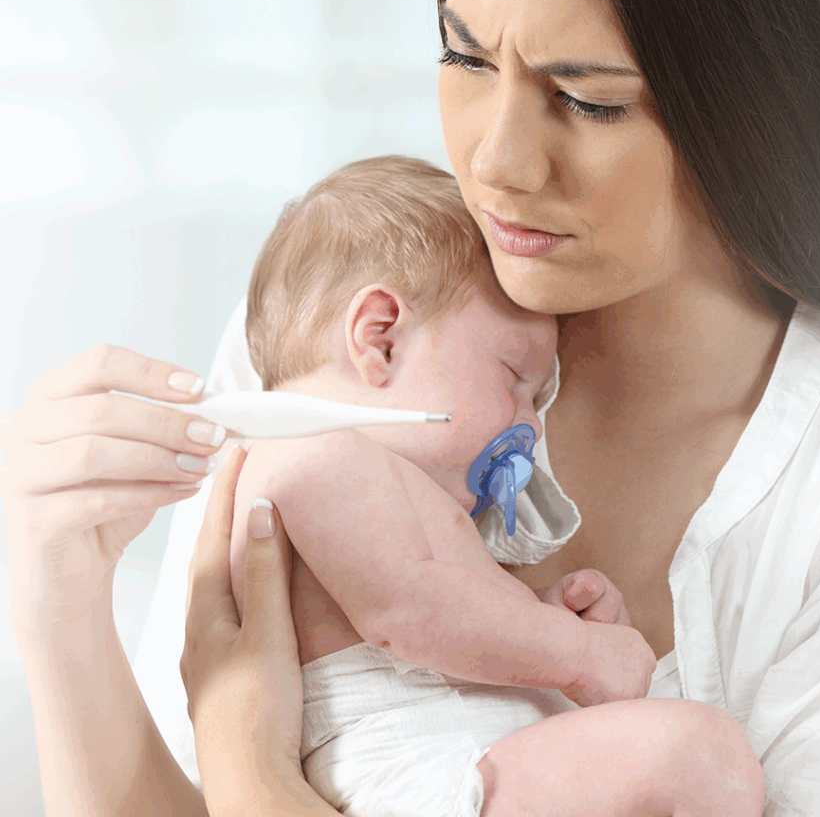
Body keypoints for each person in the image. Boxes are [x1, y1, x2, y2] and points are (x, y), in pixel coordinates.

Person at [4, 0, 820, 815]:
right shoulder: (353, 346)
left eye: (586, 99)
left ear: (763, 109)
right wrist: (57, 596)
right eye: (465, 57)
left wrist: (254, 774)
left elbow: (233, 772)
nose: (494, 160)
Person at [228, 153, 761, 815]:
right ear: (383, 339)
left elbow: (439, 613)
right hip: (422, 772)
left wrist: (539, 612)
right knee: (697, 754)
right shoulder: (312, 452)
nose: (529, 430)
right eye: (515, 377)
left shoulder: (383, 481)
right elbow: (412, 612)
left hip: (464, 758)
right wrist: (577, 654)